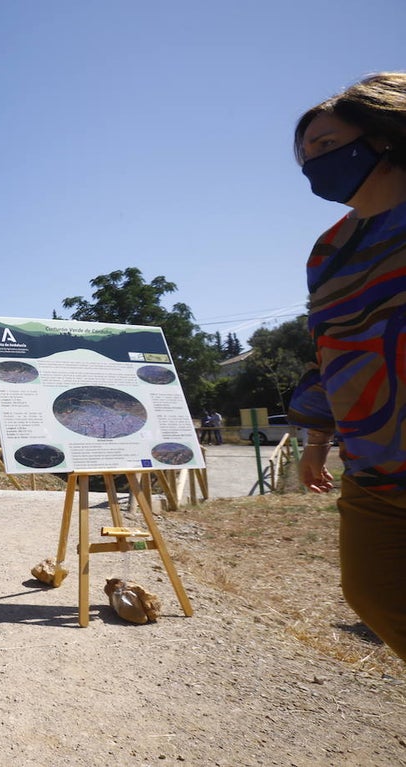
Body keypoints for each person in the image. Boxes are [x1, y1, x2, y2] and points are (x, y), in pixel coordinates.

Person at [288, 72, 406, 661]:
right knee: (372, 592)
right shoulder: (328, 251)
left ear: (382, 135)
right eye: (306, 155)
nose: (314, 164)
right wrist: (317, 442)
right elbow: (332, 353)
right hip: (372, 469)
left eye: (328, 145)